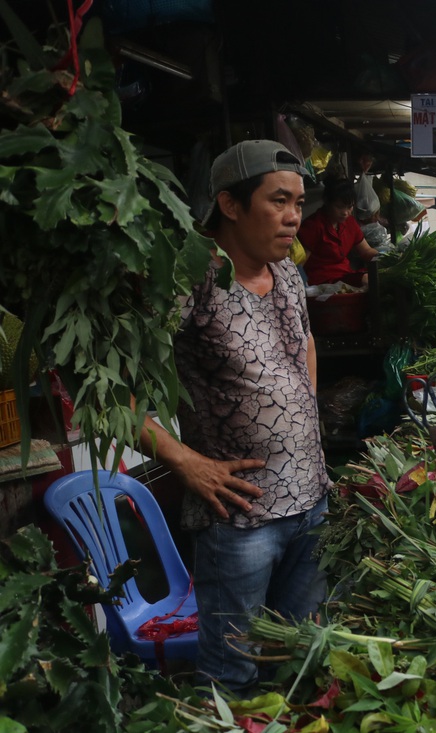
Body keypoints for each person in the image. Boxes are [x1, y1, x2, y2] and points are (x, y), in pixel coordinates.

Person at [139, 140, 330, 696]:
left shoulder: (288, 276)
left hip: (310, 504)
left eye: (298, 202)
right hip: (241, 521)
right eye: (279, 201)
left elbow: (306, 345)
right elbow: (113, 396)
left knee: (295, 664)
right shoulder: (189, 280)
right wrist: (186, 464)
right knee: (235, 678)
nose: (295, 217)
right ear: (230, 204)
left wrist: (301, 417)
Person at [300, 176, 380, 287]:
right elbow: (299, 264)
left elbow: (366, 251)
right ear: (327, 202)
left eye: (350, 207)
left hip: (344, 276)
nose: (346, 213)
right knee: (367, 280)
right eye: (340, 207)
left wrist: (384, 258)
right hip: (321, 283)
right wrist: (303, 289)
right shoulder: (313, 226)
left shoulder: (350, 223)